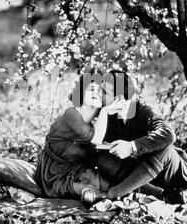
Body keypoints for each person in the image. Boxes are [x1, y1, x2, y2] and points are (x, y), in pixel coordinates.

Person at [91, 70, 187, 204]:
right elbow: (93, 144)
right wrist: (104, 111)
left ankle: (110, 194)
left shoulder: (143, 110)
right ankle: (162, 195)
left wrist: (131, 147)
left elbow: (169, 134)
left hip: (172, 175)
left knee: (165, 150)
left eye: (105, 92)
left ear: (119, 98)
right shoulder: (108, 114)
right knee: (99, 157)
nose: (100, 95)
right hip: (141, 175)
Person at [34, 72, 125, 201]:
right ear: (81, 93)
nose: (97, 93)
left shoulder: (94, 125)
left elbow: (98, 143)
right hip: (52, 176)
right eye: (91, 89)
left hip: (76, 171)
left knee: (114, 182)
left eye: (100, 91)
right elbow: (95, 139)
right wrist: (105, 111)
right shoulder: (70, 114)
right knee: (91, 191)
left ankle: (160, 192)